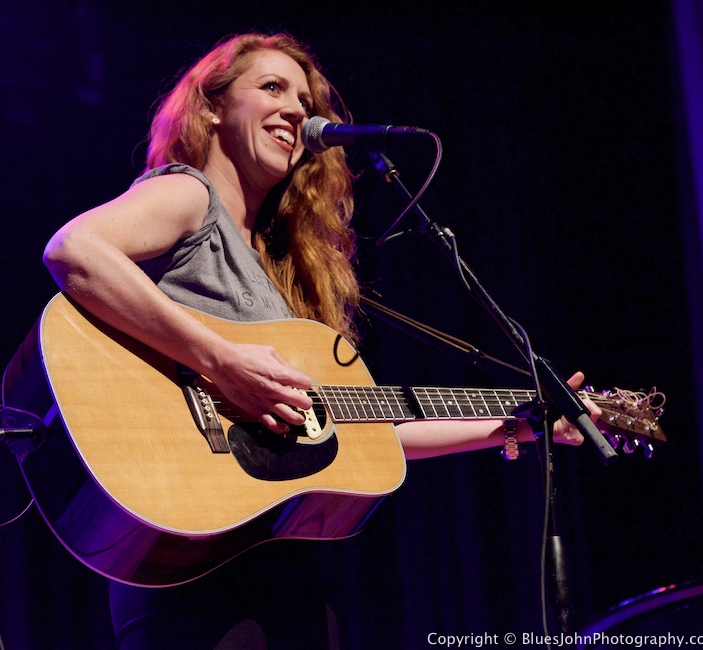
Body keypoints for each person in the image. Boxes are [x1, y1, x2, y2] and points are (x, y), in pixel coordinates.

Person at [43, 31, 599, 649]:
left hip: (276, 561)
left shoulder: (280, 270)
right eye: (272, 88)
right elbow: (75, 250)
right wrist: (220, 361)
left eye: (305, 101)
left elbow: (364, 430)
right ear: (210, 107)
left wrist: (519, 424)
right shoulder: (187, 194)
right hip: (190, 564)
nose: (296, 112)